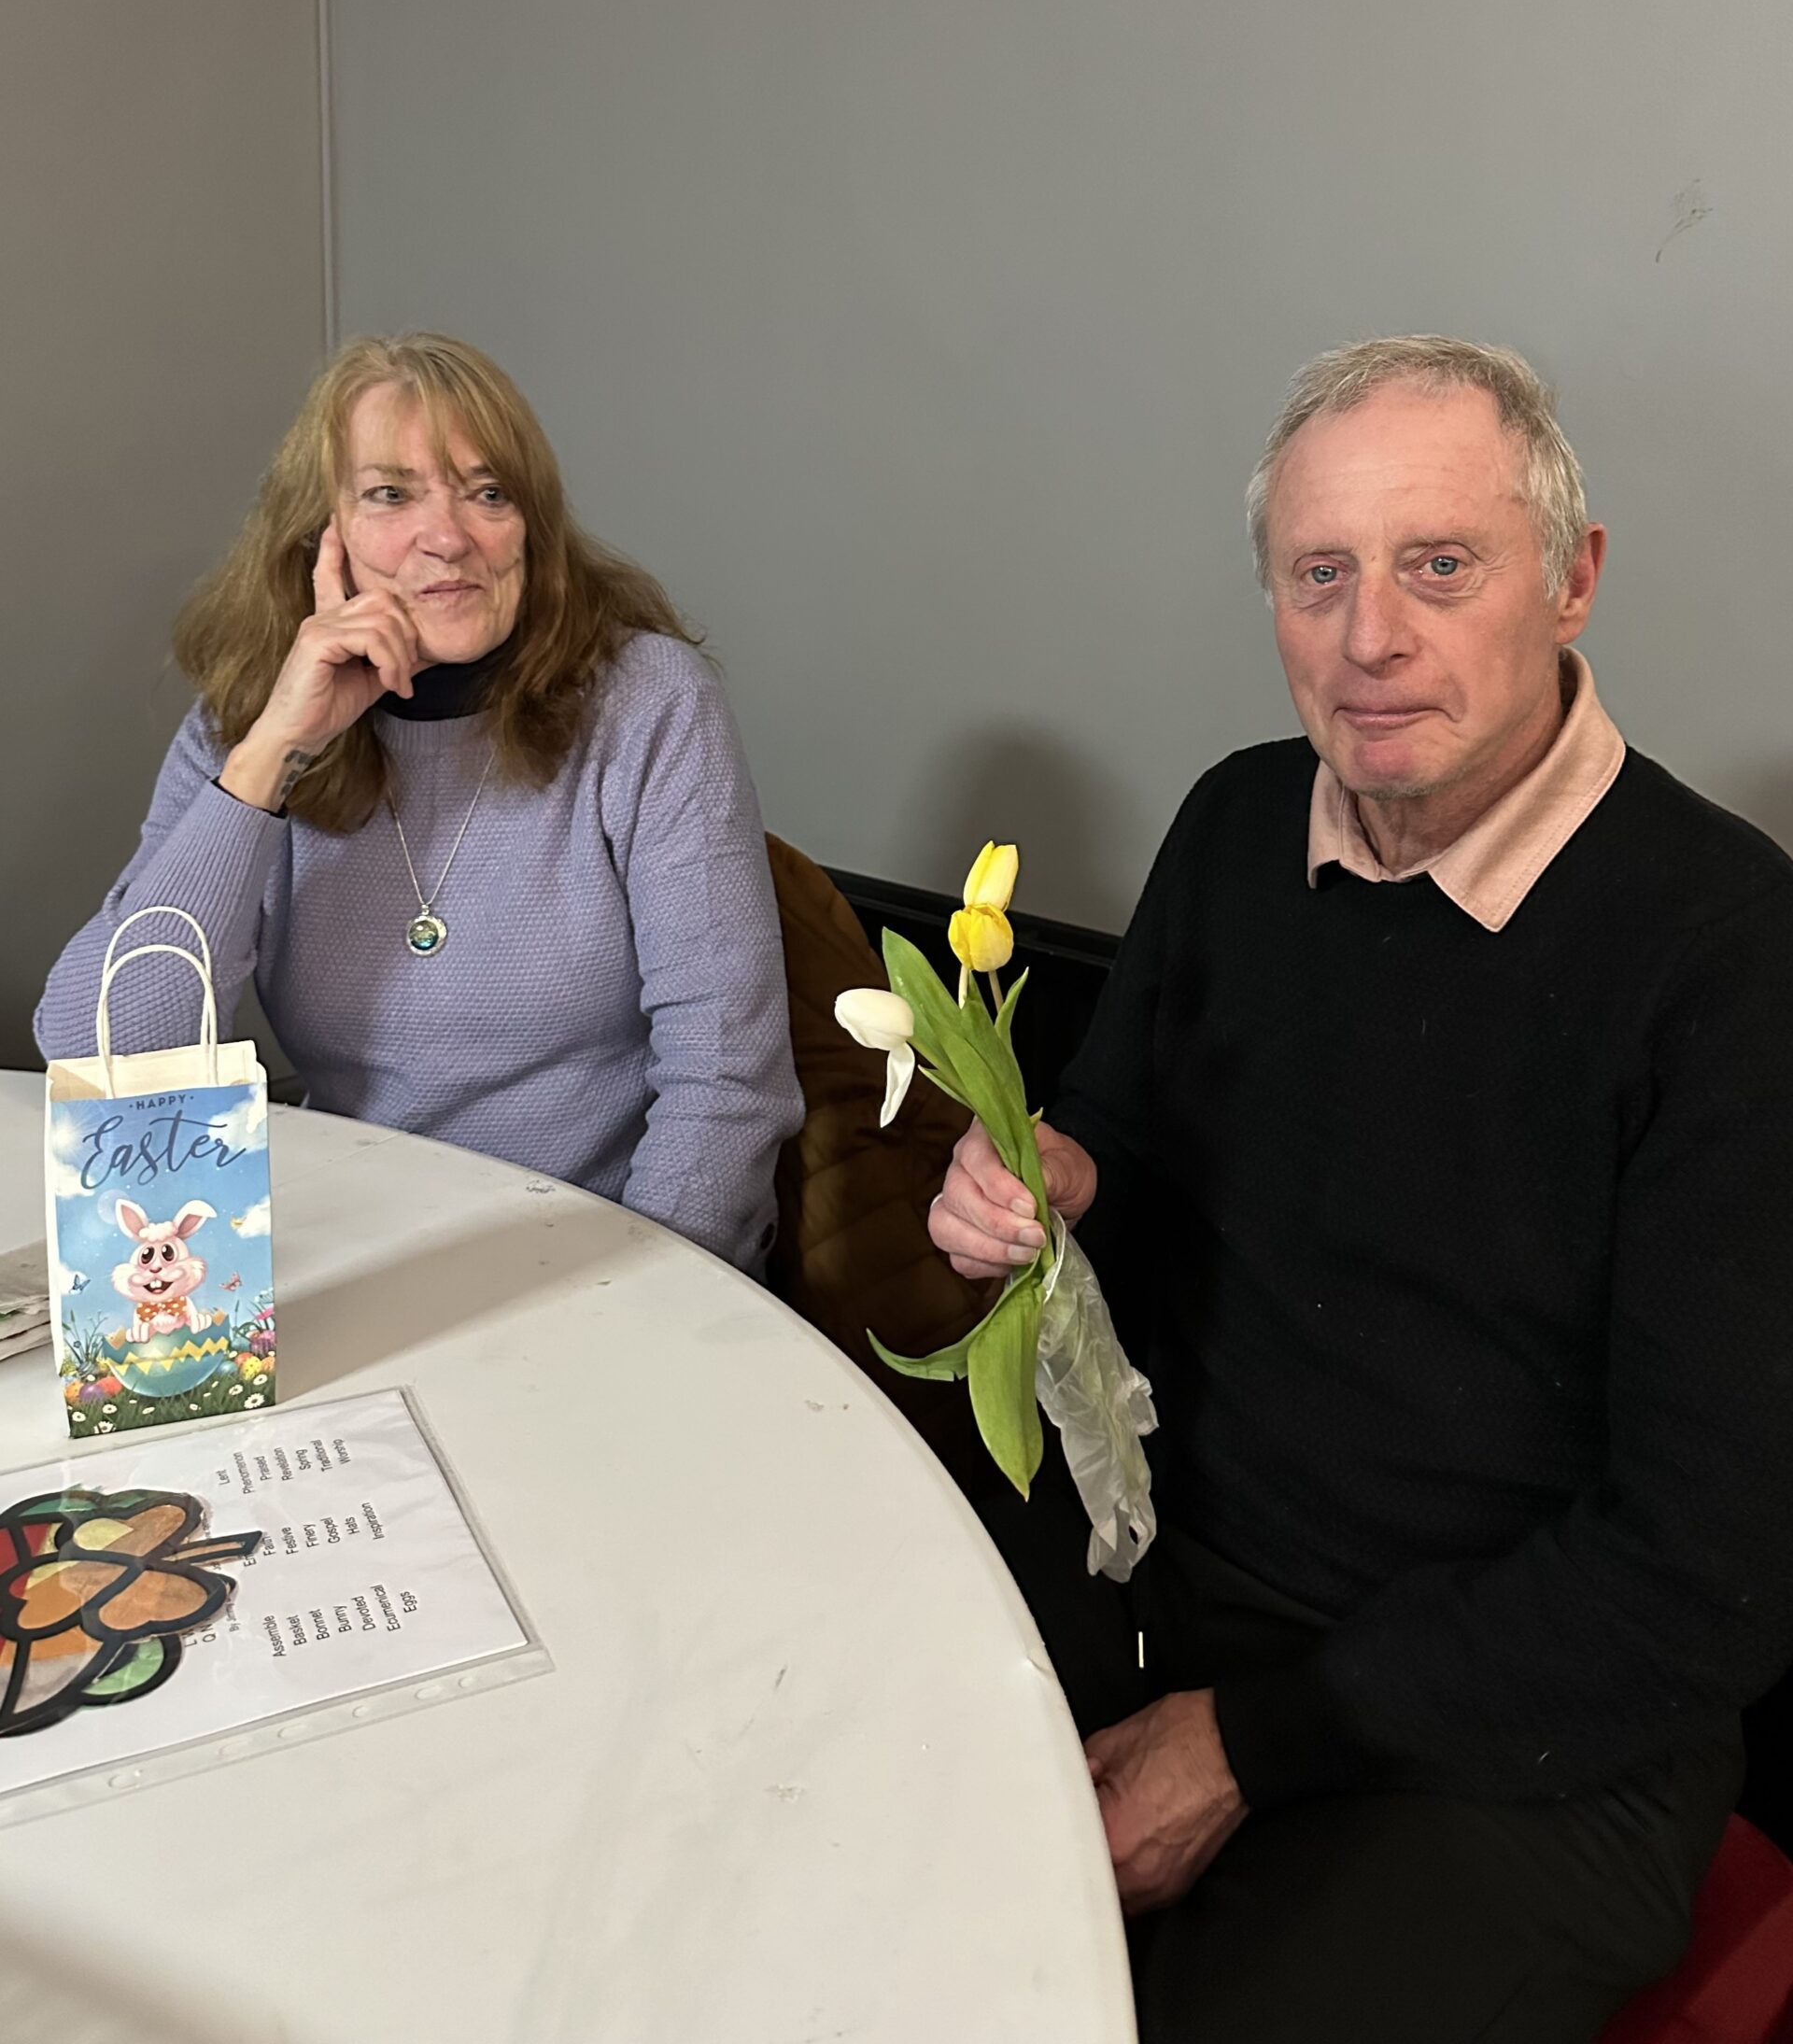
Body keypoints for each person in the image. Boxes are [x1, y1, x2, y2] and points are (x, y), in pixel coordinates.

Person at [929, 336, 1793, 2042]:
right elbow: (1106, 1134)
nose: (1371, 637)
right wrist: (1044, 1190)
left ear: (1573, 581)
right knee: (833, 1838)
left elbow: (1704, 1578)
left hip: (1527, 1733)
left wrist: (1248, 1743)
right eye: (1320, 573)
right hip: (1175, 1570)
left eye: (1440, 566)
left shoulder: (1731, 957)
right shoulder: (1241, 822)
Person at [38, 332, 801, 1272]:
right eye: (391, 494)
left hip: (606, 1256)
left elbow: (726, 1083)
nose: (450, 536)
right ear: (324, 535)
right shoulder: (251, 720)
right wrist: (274, 751)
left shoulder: (649, 701)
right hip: (357, 1257)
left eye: (489, 492)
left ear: (532, 526)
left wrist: (641, 1296)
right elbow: (105, 1053)